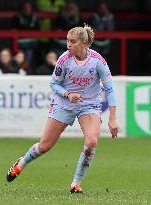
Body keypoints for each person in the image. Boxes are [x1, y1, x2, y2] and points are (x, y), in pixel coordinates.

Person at [6, 25, 119, 193]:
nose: (68, 45)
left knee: (91, 142)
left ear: (84, 43)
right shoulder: (64, 59)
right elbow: (53, 83)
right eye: (67, 41)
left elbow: (109, 88)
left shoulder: (98, 61)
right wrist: (67, 94)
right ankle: (21, 163)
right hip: (64, 103)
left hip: (89, 105)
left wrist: (113, 117)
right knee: (45, 146)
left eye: (72, 42)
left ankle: (75, 183)